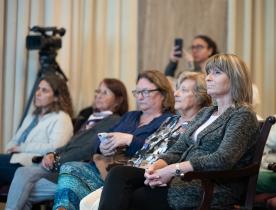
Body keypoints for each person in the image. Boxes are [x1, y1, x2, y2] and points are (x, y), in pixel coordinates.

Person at [98, 54, 260, 210]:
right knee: (119, 174)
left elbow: (223, 159)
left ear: (235, 78)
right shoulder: (206, 113)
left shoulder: (242, 114)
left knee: (133, 196)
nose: (209, 78)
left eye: (217, 73)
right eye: (208, 73)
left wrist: (172, 170)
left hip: (211, 185)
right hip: (182, 178)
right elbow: (178, 149)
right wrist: (155, 168)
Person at [79, 71, 212, 210]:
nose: (176, 94)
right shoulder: (170, 120)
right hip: (136, 168)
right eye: (177, 89)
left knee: (114, 179)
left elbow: (183, 158)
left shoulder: (199, 125)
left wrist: (152, 167)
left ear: (200, 96)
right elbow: (148, 147)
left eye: (183, 90)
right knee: (85, 203)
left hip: (156, 173)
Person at [53, 70, 175, 210]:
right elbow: (97, 139)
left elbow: (157, 151)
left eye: (145, 92)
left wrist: (130, 140)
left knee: (71, 172)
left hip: (129, 174)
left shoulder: (168, 120)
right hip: (104, 167)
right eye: (137, 92)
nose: (140, 97)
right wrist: (102, 146)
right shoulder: (131, 116)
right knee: (69, 172)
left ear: (163, 93)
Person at [4, 78, 129, 210]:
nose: (98, 95)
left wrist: (58, 160)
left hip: (79, 171)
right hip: (63, 165)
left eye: (105, 93)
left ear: (118, 100)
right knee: (23, 190)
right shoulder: (91, 118)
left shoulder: (114, 120)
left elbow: (89, 149)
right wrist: (52, 154)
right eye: (98, 91)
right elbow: (69, 145)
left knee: (23, 177)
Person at [0, 73, 74, 188]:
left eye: (44, 90)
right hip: (16, 160)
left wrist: (22, 147)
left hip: (36, 166)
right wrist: (10, 148)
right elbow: (15, 140)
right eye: (38, 89)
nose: (38, 93)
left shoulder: (61, 118)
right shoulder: (32, 115)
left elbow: (56, 149)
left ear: (56, 97)